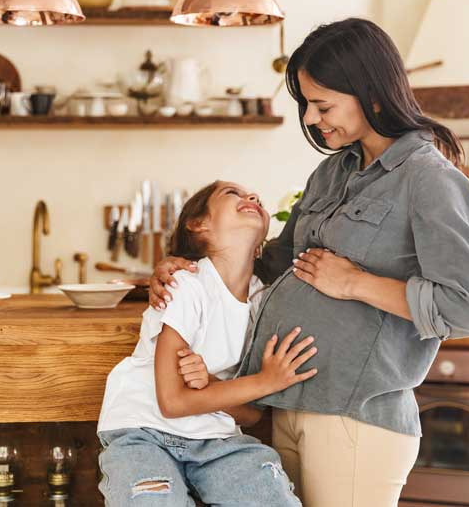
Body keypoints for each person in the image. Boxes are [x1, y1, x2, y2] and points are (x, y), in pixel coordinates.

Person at [149, 18, 469, 507]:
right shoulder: (332, 173)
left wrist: (356, 283)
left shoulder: (429, 180)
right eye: (307, 105)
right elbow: (272, 264)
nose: (311, 118)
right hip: (286, 405)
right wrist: (184, 264)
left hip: (354, 419)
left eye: (323, 104)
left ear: (372, 96)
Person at [97, 180, 316, 506]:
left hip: (217, 440)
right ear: (199, 224)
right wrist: (265, 381)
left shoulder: (264, 303)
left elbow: (250, 415)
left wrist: (213, 384)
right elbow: (172, 402)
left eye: (255, 196)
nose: (252, 197)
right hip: (144, 433)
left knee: (271, 496)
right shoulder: (186, 285)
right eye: (233, 194)